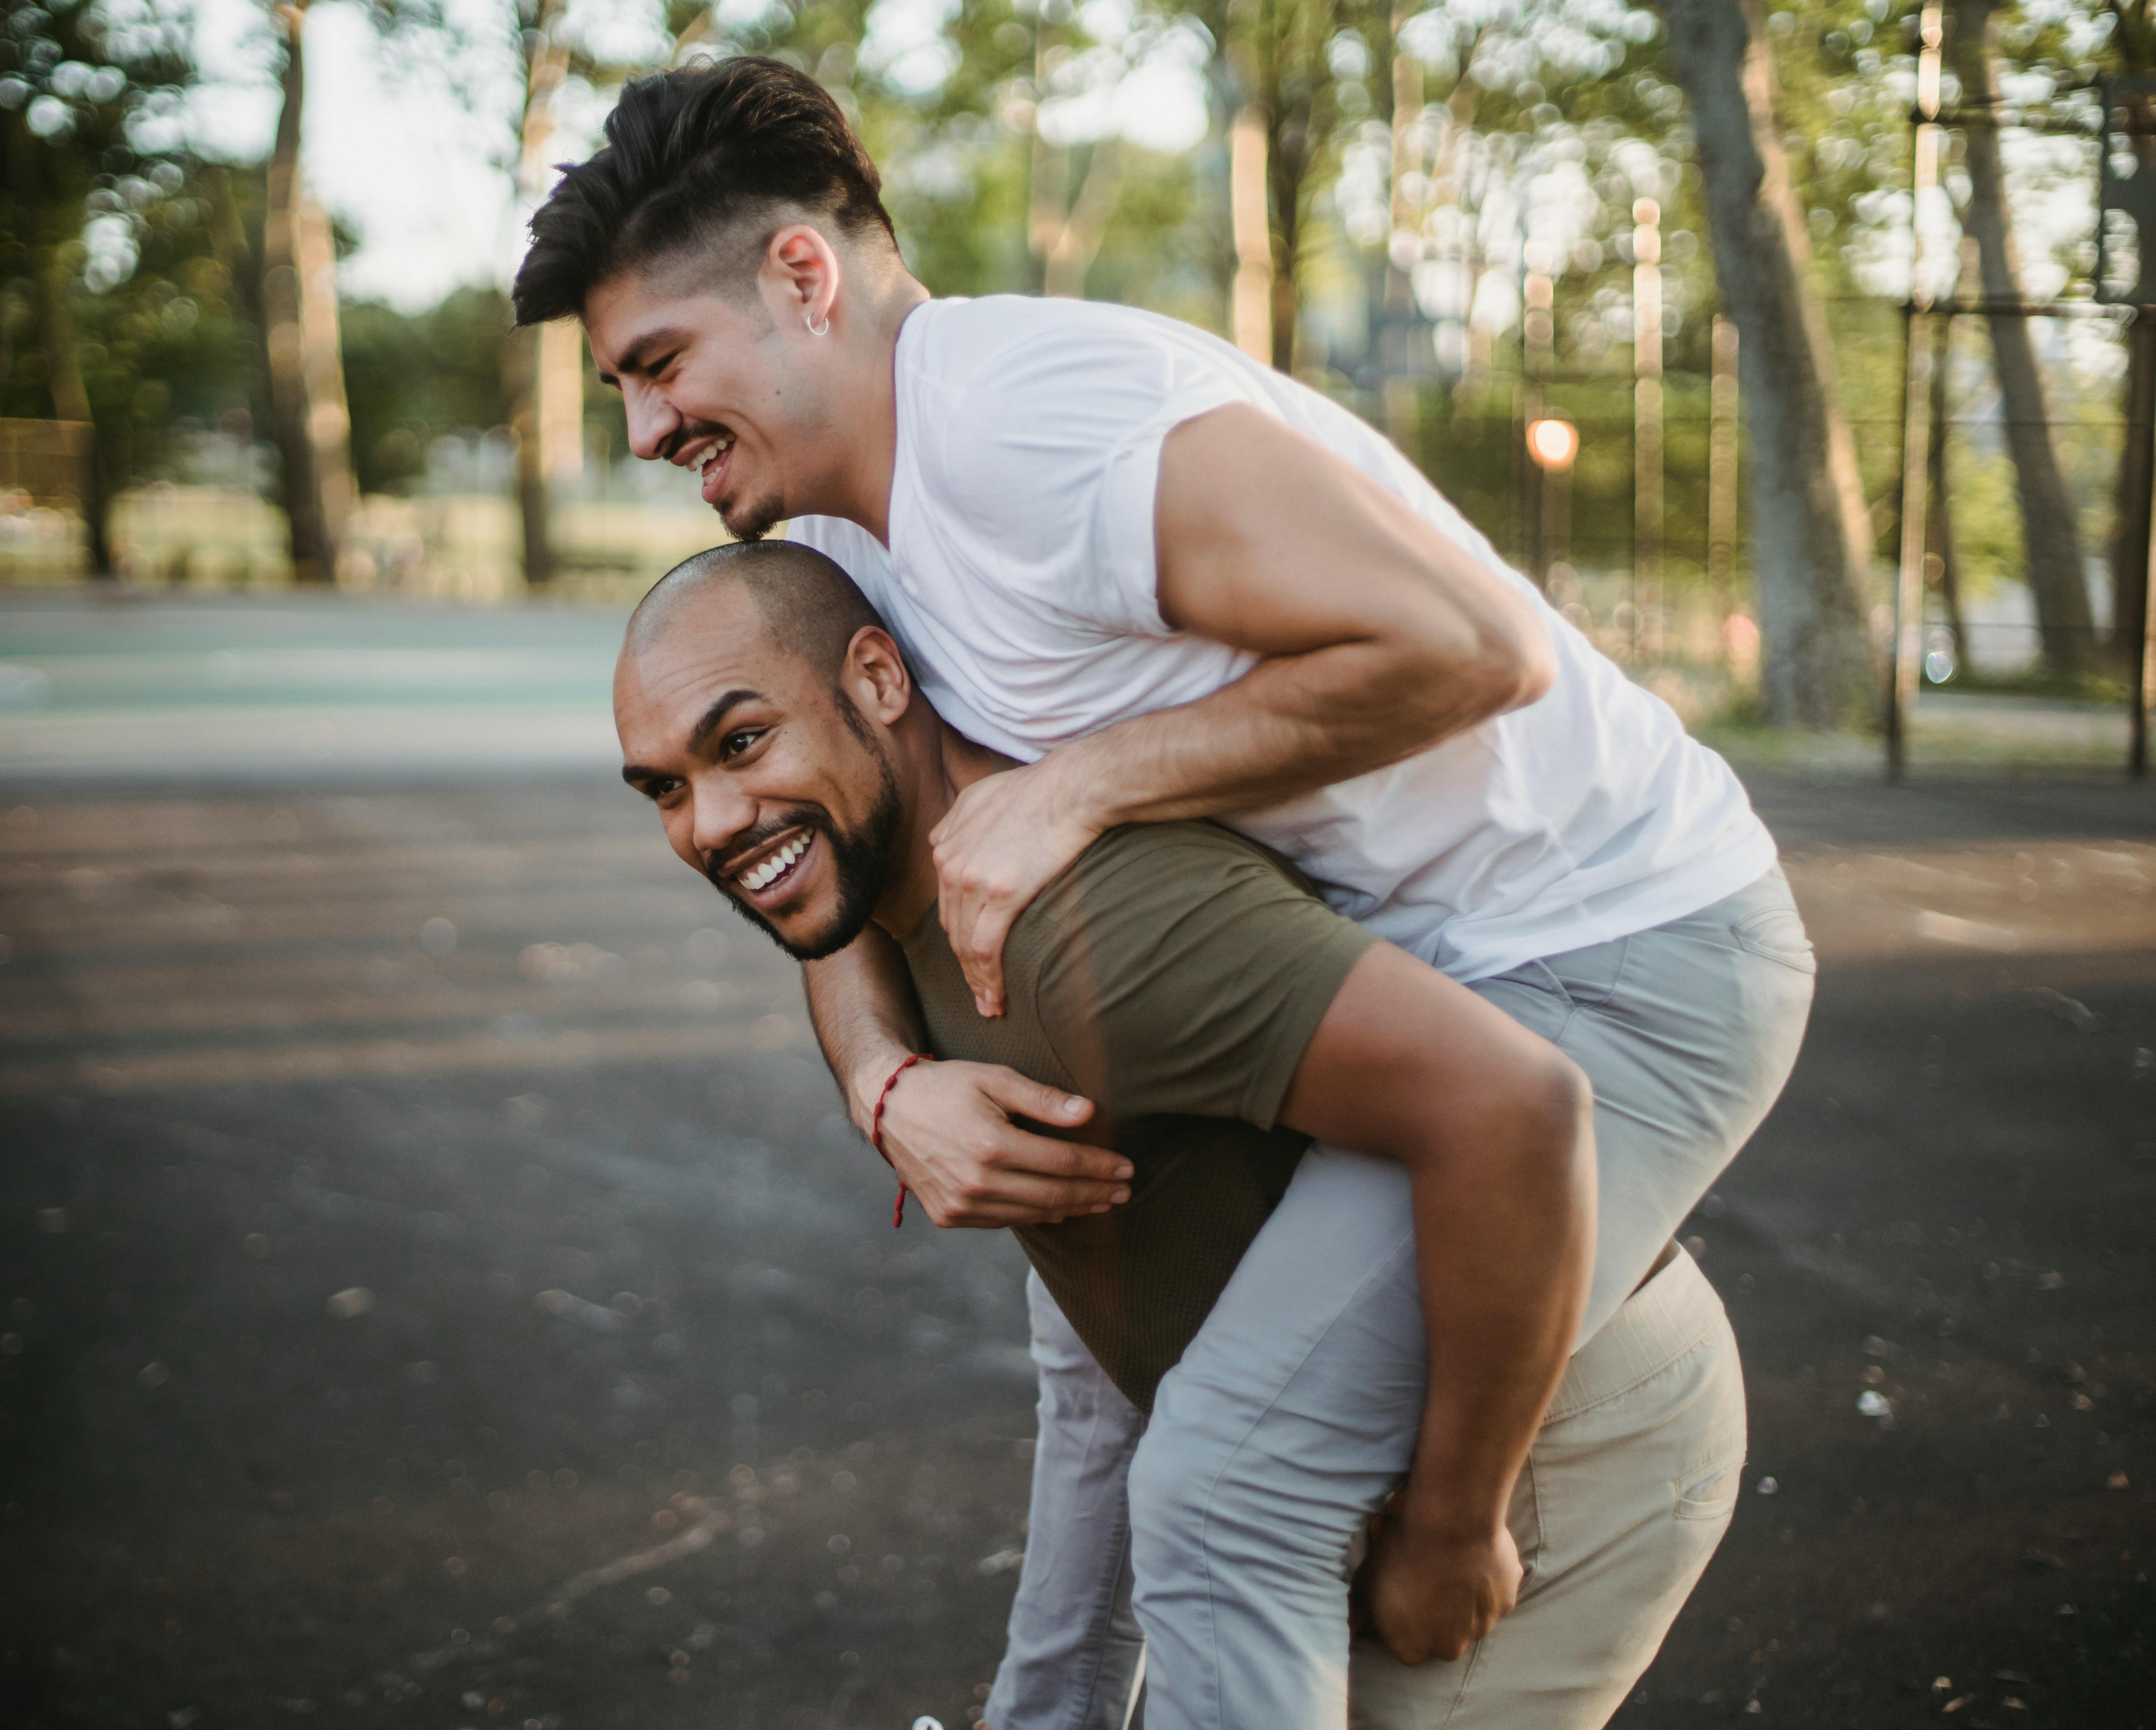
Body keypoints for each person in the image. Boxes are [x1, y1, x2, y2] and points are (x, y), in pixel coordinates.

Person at [520, 56, 1816, 1725]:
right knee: (1110, 1326)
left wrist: (1451, 1520)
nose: (641, 430)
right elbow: (828, 845)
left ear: (801, 278)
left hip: (1621, 948)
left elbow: (1469, 647)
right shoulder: (845, 544)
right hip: (1415, 955)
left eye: (658, 365)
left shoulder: (1032, 419)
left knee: (1229, 1487)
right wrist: (885, 1079)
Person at [611, 542, 1751, 1730]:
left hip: (1554, 1435)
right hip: (1333, 1462)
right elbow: (1098, 1395)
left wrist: (1457, 1528)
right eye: (666, 789)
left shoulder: (1085, 936)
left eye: (741, 744)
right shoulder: (883, 881)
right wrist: (881, 1083)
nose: (711, 824)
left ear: (883, 683)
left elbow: (1519, 1108)